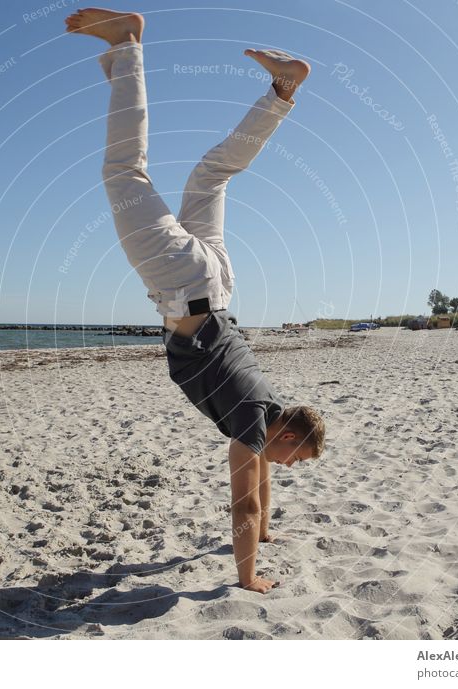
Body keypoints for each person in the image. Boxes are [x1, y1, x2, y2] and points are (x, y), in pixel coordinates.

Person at [66, 7, 325, 594]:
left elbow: (263, 480)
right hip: (184, 284)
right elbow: (244, 505)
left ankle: (282, 93)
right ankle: (128, 46)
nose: (288, 467)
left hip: (219, 284)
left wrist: (266, 533)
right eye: (296, 459)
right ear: (287, 436)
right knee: (124, 173)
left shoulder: (267, 408)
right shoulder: (254, 429)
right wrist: (249, 575)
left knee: (213, 175)